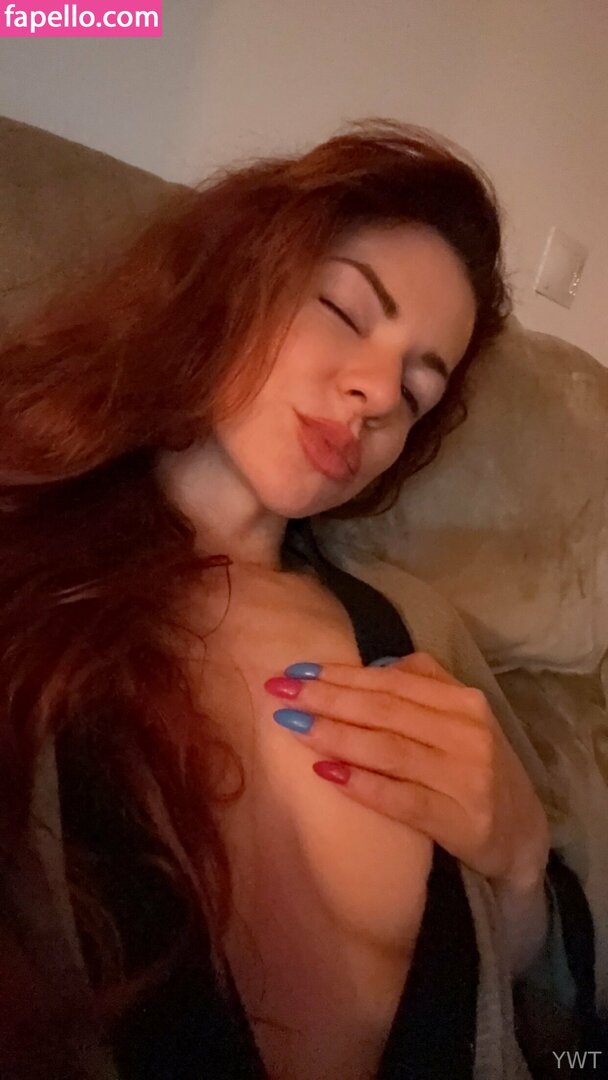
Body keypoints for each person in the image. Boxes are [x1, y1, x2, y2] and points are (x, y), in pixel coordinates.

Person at [0, 119, 602, 1080]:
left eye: (416, 390)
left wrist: (522, 864)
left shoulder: (415, 625)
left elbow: (566, 1035)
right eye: (345, 310)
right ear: (240, 279)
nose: (377, 396)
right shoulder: (22, 530)